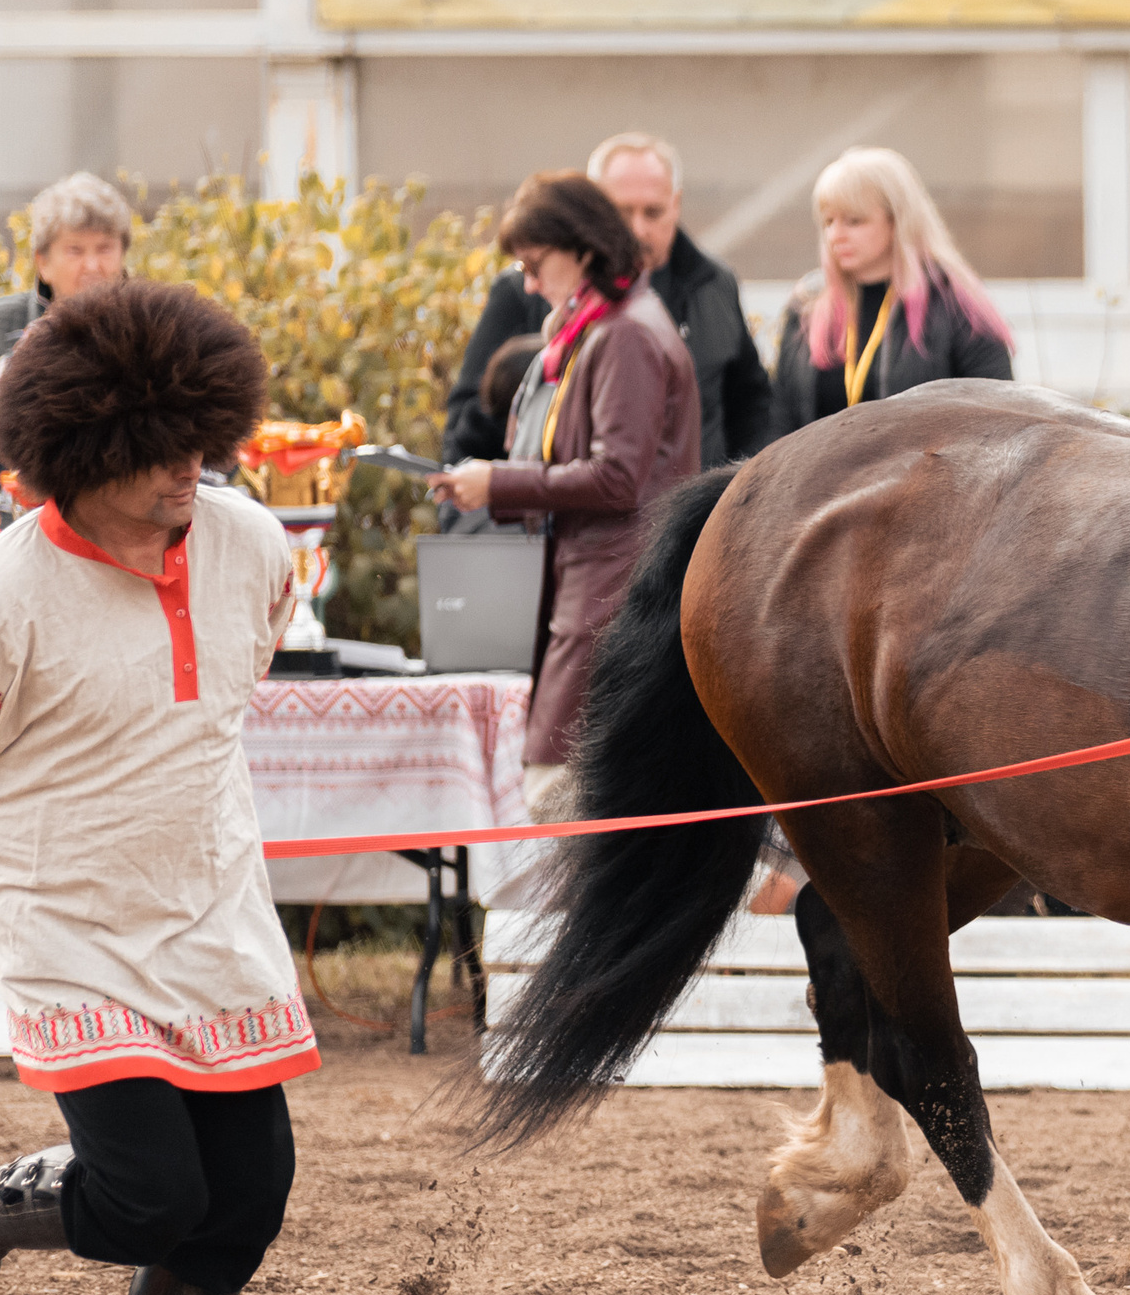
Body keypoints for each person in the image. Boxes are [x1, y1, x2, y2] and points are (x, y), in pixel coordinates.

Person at [0, 280, 314, 1295]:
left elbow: (226, 692)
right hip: (65, 922)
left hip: (211, 911)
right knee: (148, 1194)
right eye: (156, 451)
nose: (188, 468)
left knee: (246, 1194)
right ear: (81, 456)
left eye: (200, 441)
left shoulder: (253, 545)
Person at [428, 172, 699, 814]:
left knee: (562, 795)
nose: (526, 283)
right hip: (611, 583)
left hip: (612, 587)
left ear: (581, 251)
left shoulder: (624, 333)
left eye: (533, 263)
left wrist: (497, 481)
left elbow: (615, 477)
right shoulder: (616, 325)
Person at [438, 132, 769, 484]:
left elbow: (752, 402)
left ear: (677, 204)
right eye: (622, 211)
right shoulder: (525, 290)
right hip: (560, 522)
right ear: (593, 213)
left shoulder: (711, 285)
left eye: (652, 212)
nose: (638, 229)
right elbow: (467, 426)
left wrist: (741, 491)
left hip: (693, 517)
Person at [760, 145, 1015, 444]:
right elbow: (779, 420)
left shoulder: (955, 304)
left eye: (854, 221)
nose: (835, 235)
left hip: (925, 490)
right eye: (829, 221)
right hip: (821, 489)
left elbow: (999, 420)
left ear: (897, 221)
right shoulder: (807, 305)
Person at [0, 172, 133, 490]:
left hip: (125, 529)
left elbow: (215, 456)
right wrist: (11, 368)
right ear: (43, 263)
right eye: (75, 251)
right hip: (20, 524)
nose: (92, 266)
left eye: (104, 249)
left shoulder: (161, 326)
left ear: (122, 253)